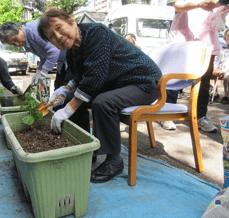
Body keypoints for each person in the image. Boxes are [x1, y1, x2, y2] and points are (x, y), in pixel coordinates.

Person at [37, 9, 162, 183]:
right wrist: (65, 89)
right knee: (67, 99)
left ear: (72, 21)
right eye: (51, 36)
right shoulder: (72, 50)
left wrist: (67, 110)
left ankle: (114, 161)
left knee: (103, 102)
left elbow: (94, 78)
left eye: (59, 27)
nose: (57, 36)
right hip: (118, 83)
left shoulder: (97, 33)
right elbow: (80, 77)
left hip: (144, 82)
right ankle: (87, 149)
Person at [159, 0, 227, 132]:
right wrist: (200, 4)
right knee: (173, 75)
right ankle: (167, 114)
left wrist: (217, 3)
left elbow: (228, 1)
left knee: (204, 78)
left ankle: (200, 116)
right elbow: (178, 6)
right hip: (183, 31)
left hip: (207, 33)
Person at [0, 20, 91, 132]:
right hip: (63, 63)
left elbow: (53, 51)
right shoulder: (27, 38)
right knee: (58, 96)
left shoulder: (33, 31)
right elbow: (44, 55)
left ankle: (81, 131)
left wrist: (44, 72)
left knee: (71, 97)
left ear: (19, 29)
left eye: (15, 40)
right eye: (13, 44)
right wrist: (39, 70)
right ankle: (61, 129)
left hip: (71, 59)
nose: (17, 44)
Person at [213, 28, 229, 104]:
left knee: (228, 75)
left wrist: (223, 70)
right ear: (225, 39)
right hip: (219, 69)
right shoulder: (221, 48)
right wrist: (214, 68)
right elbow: (216, 59)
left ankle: (226, 95)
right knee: (208, 73)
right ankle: (214, 93)